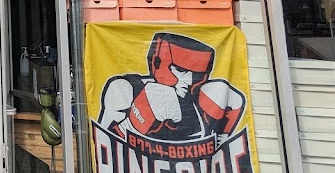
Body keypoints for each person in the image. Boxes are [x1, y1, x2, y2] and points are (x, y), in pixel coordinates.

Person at [98, 31, 245, 142]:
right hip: (138, 169)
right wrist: (132, 125)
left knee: (231, 98)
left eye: (196, 74)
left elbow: (221, 155)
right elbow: (103, 143)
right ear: (157, 63)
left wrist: (222, 136)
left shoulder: (207, 101)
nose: (188, 81)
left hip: (191, 172)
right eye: (180, 70)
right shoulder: (127, 89)